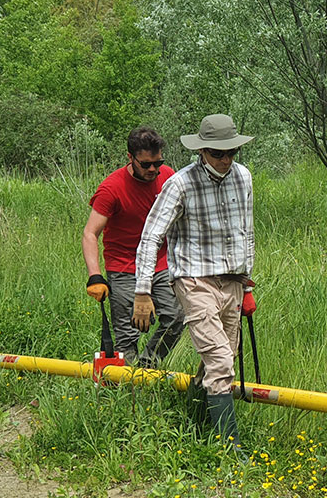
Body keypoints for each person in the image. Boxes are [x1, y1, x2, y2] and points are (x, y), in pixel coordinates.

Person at [133, 114, 255, 448]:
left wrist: (246, 287)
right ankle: (230, 447)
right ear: (201, 151)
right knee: (219, 358)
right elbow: (150, 237)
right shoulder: (180, 184)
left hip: (232, 280)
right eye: (217, 153)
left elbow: (246, 234)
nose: (225, 159)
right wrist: (143, 291)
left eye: (231, 151)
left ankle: (194, 418)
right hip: (194, 279)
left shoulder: (243, 178)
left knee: (226, 355)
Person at [83, 126, 186, 368]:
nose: (153, 169)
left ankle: (145, 369)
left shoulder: (168, 177)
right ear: (130, 158)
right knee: (128, 333)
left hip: (160, 263)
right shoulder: (111, 188)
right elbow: (90, 233)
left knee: (175, 318)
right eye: (146, 164)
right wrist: (94, 276)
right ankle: (127, 389)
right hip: (124, 266)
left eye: (158, 163)